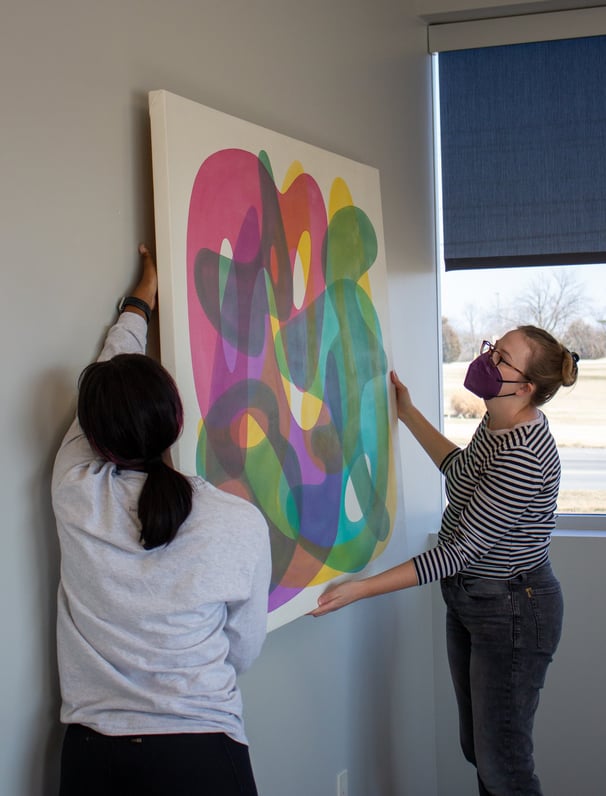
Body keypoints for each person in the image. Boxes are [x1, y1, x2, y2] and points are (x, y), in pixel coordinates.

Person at [312, 325, 579, 796]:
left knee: (506, 767)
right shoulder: (496, 423)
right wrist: (409, 414)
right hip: (473, 599)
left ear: (527, 387)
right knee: (480, 750)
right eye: (493, 348)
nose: (487, 359)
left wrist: (360, 588)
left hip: (513, 608)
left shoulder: (523, 453)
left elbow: (459, 551)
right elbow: (461, 475)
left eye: (502, 359)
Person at [52, 245, 271, 796]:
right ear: (177, 420)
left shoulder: (74, 488)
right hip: (200, 748)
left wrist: (139, 299)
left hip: (92, 757)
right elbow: (243, 648)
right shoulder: (237, 522)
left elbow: (108, 370)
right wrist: (148, 292)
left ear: (95, 438)